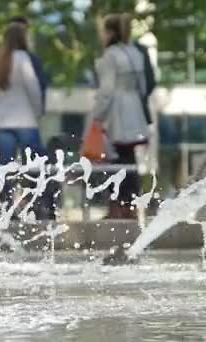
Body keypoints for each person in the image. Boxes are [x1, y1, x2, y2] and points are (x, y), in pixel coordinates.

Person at [89, 14, 149, 219]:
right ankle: (131, 206)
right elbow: (143, 86)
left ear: (110, 32)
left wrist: (97, 117)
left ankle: (116, 207)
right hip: (134, 110)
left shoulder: (110, 55)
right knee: (130, 160)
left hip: (116, 112)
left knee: (114, 161)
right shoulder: (135, 53)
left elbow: (106, 90)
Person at [0, 23, 47, 216]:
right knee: (34, 166)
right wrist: (37, 111)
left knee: (6, 168)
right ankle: (37, 204)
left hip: (4, 121)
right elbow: (33, 89)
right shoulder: (23, 58)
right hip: (26, 120)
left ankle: (5, 208)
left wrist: (3, 106)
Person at [0, 16, 48, 116]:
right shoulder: (30, 59)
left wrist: (0, 110)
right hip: (26, 118)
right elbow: (40, 88)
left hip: (4, 117)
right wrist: (38, 112)